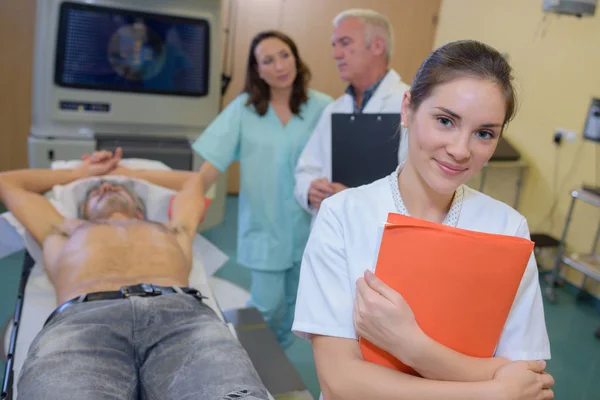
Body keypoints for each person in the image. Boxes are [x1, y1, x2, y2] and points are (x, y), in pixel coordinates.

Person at [292, 40, 555, 399]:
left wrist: (410, 345)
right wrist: (491, 390)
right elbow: (341, 381)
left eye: (484, 133)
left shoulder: (507, 228)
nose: (461, 150)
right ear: (408, 109)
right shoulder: (343, 215)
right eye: (445, 121)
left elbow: (527, 377)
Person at [0, 148, 270, 400]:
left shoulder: (173, 229)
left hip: (182, 316)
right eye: (96, 191)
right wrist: (80, 174)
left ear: (140, 209)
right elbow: (7, 182)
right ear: (83, 211)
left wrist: (127, 173)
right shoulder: (63, 230)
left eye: (117, 187)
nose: (106, 185)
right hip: (84, 321)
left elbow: (193, 182)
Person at [191, 30, 332, 348]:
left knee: (298, 310)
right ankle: (247, 364)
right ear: (257, 70)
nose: (280, 65)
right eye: (268, 60)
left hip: (311, 226)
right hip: (264, 226)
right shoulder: (244, 110)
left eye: (285, 55)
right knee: (266, 307)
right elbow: (211, 166)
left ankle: (274, 364)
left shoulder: (324, 107)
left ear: (296, 57)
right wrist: (184, 205)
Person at [294, 9, 411, 217]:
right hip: (332, 230)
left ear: (377, 46)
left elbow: (419, 185)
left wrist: (358, 199)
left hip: (382, 231)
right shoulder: (335, 109)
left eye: (345, 43)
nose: (336, 54)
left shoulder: (412, 107)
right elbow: (307, 169)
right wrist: (310, 189)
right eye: (334, 45)